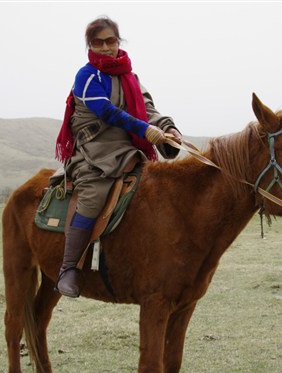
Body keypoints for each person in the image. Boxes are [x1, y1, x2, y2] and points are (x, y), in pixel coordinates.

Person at [54, 16, 181, 298]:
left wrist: (167, 128)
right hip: (94, 152)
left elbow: (148, 109)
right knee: (93, 195)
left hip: (128, 150)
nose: (105, 47)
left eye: (110, 41)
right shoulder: (86, 76)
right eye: (97, 42)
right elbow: (107, 112)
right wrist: (145, 130)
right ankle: (69, 268)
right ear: (89, 45)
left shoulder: (130, 77)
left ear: (118, 41)